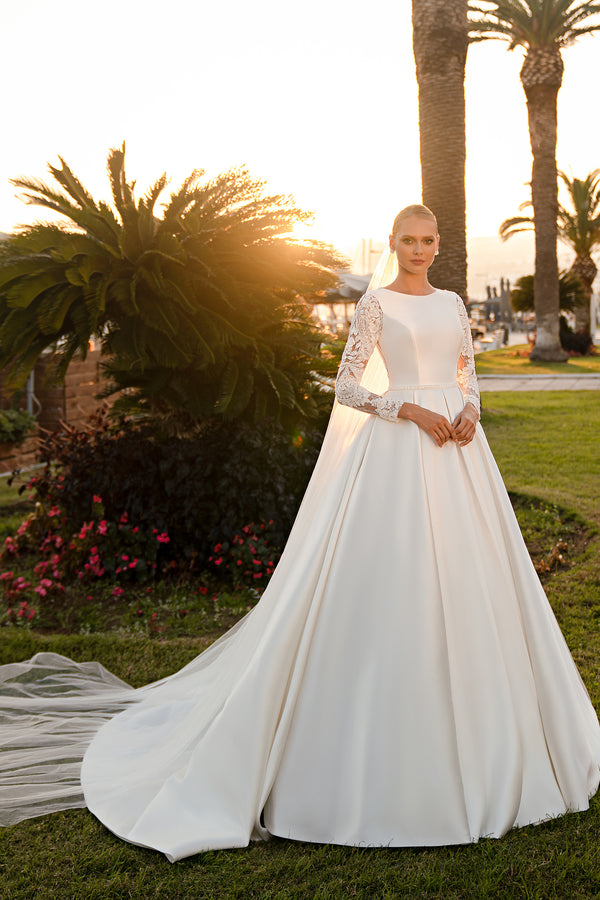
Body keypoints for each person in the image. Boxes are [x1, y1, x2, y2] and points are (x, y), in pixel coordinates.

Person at [1, 205, 599, 862]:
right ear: (395, 243)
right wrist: (409, 407)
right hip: (398, 448)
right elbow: (346, 385)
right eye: (409, 241)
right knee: (388, 578)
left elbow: (466, 370)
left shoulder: (454, 304)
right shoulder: (375, 304)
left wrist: (470, 413)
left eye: (429, 241)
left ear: (439, 245)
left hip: (457, 455)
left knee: (472, 578)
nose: (420, 250)